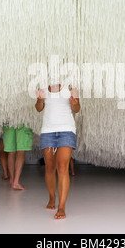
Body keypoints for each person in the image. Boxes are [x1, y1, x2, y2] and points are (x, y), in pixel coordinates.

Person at [35, 83, 80, 219]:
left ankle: (61, 207)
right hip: (48, 131)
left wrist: (74, 103)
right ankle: (51, 197)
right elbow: (38, 108)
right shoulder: (42, 86)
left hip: (66, 130)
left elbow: (77, 109)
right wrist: (40, 100)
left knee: (62, 168)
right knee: (50, 168)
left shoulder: (71, 87)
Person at [3, 124, 33, 190]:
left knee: (11, 152)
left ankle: (12, 179)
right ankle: (16, 182)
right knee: (21, 151)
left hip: (9, 119)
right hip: (22, 120)